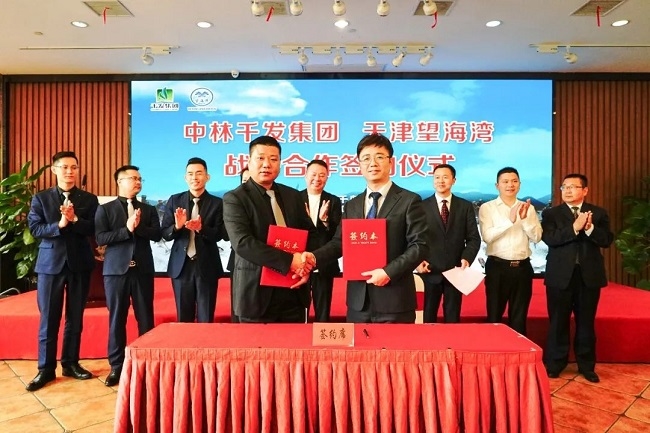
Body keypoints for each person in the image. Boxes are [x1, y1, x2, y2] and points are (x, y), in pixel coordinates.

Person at [311, 133, 428, 323]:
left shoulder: (409, 201)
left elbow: (419, 246)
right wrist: (313, 258)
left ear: (391, 162)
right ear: (359, 165)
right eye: (366, 158)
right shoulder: (352, 205)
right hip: (358, 303)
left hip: (395, 301)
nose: (372, 163)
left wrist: (388, 272)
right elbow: (339, 243)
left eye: (379, 157)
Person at [25, 151, 99, 391]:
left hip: (80, 265)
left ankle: (70, 363)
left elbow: (94, 228)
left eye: (74, 167)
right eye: (65, 167)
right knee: (49, 318)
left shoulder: (89, 199)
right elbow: (36, 229)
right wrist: (60, 224)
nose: (70, 171)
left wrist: (75, 219)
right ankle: (45, 369)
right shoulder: (41, 198)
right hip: (50, 266)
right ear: (54, 170)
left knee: (75, 317)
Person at [223, 136, 316, 323]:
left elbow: (310, 235)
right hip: (256, 295)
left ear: (280, 163)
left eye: (273, 159)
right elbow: (242, 243)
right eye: (260, 158)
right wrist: (290, 261)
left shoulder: (293, 196)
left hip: (294, 290)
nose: (267, 164)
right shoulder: (235, 198)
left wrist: (306, 265)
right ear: (249, 161)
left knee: (295, 342)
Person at [542, 174, 613, 383]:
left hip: (588, 276)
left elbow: (606, 240)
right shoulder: (551, 214)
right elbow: (550, 239)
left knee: (586, 322)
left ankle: (586, 366)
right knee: (558, 322)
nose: (567, 190)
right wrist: (575, 227)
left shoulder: (598, 213)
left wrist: (589, 228)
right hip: (559, 276)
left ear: (585, 190)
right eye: (564, 187)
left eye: (573, 187)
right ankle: (555, 364)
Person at [95, 165, 161, 386]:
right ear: (120, 181)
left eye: (140, 179)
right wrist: (127, 230)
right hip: (116, 272)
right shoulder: (105, 209)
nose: (138, 182)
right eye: (133, 178)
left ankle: (148, 363)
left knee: (146, 317)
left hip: (142, 271)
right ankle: (117, 366)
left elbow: (157, 234)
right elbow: (101, 237)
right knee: (117, 319)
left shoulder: (148, 210)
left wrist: (137, 227)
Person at [161, 157, 227, 323]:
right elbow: (165, 233)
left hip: (207, 264)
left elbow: (221, 234)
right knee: (184, 317)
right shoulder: (175, 200)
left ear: (207, 177)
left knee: (206, 316)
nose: (194, 177)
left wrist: (201, 228)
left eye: (199, 173)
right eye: (190, 174)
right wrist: (177, 227)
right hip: (181, 266)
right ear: (185, 177)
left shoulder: (217, 203)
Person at [478, 167, 542, 336]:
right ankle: (493, 349)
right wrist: (510, 221)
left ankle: (518, 351)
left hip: (522, 268)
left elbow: (537, 237)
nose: (510, 185)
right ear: (497, 185)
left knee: (519, 318)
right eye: (505, 181)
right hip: (497, 267)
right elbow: (487, 237)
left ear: (520, 184)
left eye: (514, 181)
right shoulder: (487, 208)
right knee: (494, 316)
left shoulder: (528, 208)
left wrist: (524, 220)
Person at [416, 164, 481, 323]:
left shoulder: (464, 206)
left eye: (445, 177)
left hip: (455, 271)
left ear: (454, 180)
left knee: (453, 318)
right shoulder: (421, 207)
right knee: (427, 318)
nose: (441, 181)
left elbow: (473, 238)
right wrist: (417, 261)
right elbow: (414, 238)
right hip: (429, 271)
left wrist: (467, 258)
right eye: (437, 177)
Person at [300, 160, 342, 322]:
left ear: (327, 178)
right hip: (300, 262)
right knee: (299, 306)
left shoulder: (333, 201)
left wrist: (324, 221)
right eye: (314, 174)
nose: (317, 179)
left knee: (323, 309)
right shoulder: (295, 198)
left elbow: (337, 236)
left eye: (322, 175)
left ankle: (321, 335)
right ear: (306, 176)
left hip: (324, 263)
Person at [226, 165, 249, 323]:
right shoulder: (233, 202)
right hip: (238, 261)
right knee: (238, 305)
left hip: (266, 262)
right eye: (245, 181)